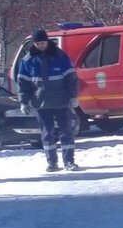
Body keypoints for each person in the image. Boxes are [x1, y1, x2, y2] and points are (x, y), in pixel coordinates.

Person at [16, 29, 80, 172]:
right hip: (41, 103)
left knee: (66, 132)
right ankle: (52, 163)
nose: (40, 45)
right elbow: (22, 83)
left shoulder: (60, 56)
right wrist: (23, 102)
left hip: (61, 102)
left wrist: (73, 96)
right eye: (37, 43)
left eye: (42, 42)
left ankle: (69, 161)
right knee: (47, 134)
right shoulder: (28, 61)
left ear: (47, 41)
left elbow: (72, 79)